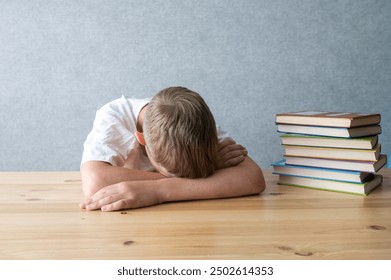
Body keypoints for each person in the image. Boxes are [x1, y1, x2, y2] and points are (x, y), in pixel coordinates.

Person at [80, 86, 265, 211]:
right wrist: (210, 169)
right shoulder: (113, 116)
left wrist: (157, 190)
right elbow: (95, 182)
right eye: (172, 173)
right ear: (142, 139)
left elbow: (253, 178)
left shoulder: (192, 120)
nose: (184, 180)